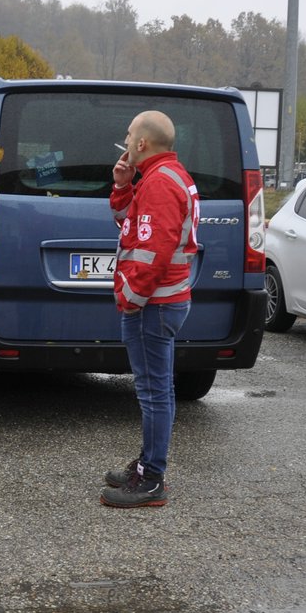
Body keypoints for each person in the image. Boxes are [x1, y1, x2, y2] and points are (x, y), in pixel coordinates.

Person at [101, 110, 199, 509]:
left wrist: (130, 298)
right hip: (162, 303)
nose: (124, 141)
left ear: (142, 143)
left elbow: (152, 254)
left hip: (154, 306)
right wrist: (123, 187)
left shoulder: (159, 184)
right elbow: (130, 226)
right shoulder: (165, 177)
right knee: (159, 389)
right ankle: (147, 466)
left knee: (153, 392)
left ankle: (152, 479)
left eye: (129, 135)